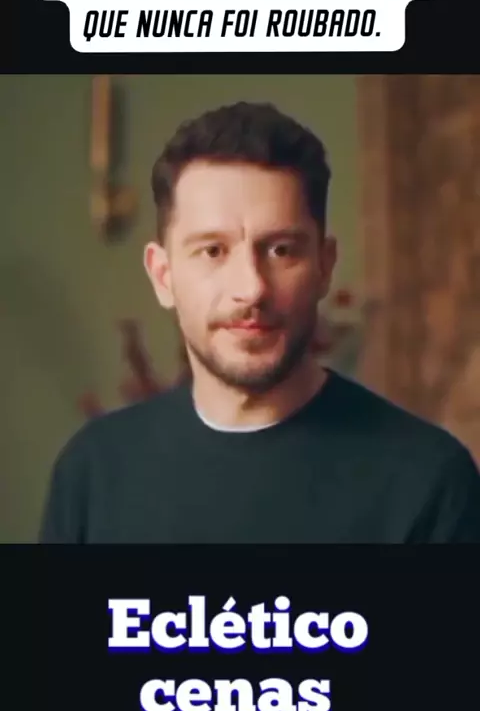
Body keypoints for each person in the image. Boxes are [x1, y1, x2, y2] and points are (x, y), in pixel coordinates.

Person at [39, 101, 480, 543]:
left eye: (281, 250)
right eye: (212, 251)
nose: (251, 289)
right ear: (163, 275)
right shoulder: (93, 473)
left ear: (324, 266)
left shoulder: (429, 482)